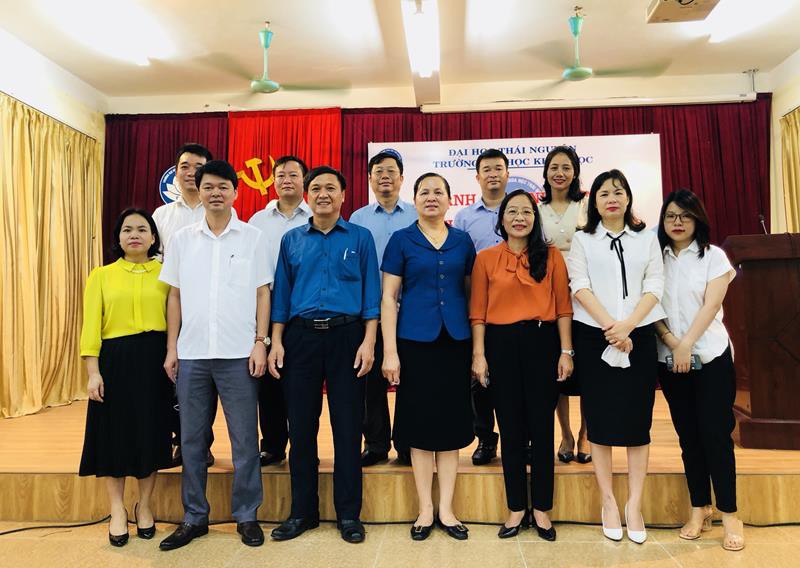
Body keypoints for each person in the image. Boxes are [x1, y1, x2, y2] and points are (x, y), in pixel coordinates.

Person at [158, 160, 272, 550]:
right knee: (191, 441)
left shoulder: (253, 237)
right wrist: (172, 348)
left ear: (235, 192)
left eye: (223, 186)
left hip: (239, 354)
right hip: (192, 354)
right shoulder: (182, 239)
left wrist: (261, 341)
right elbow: (174, 295)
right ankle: (194, 517)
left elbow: (263, 292)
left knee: (244, 440)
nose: (216, 193)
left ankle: (247, 515)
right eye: (208, 186)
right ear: (198, 190)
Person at [268, 166, 380, 544]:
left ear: (344, 195)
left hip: (348, 337)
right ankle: (303, 512)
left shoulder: (361, 238)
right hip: (300, 339)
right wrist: (276, 341)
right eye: (316, 188)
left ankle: (349, 514)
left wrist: (369, 341)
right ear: (307, 195)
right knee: (301, 429)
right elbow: (282, 295)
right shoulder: (291, 240)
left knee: (348, 428)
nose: (323, 194)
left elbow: (371, 295)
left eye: (331, 188)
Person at [566, 169, 665, 544]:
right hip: (595, 336)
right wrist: (611, 326)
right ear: (594, 201)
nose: (612, 198)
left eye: (618, 191)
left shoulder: (647, 238)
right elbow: (580, 285)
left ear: (628, 198)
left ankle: (634, 504)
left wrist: (628, 326)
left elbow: (655, 284)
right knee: (601, 420)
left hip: (638, 334)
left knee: (638, 421)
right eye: (604, 193)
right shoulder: (583, 239)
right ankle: (608, 500)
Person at [471, 189, 574, 541]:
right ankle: (516, 507)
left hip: (542, 343)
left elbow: (563, 307)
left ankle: (542, 508)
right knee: (511, 426)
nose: (519, 218)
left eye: (526, 212)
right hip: (500, 345)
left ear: (535, 217)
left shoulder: (552, 256)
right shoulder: (485, 258)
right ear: (501, 219)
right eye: (512, 212)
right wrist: (479, 355)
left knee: (542, 427)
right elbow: (478, 313)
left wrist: (566, 351)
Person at [382, 173, 476, 541]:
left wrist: (477, 350)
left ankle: (447, 509)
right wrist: (390, 351)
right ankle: (425, 508)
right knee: (420, 427)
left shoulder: (462, 241)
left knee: (450, 428)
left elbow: (471, 295)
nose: (431, 197)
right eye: (425, 192)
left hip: (455, 343)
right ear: (415, 199)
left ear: (450, 199)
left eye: (439, 192)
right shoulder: (401, 239)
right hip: (414, 343)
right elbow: (389, 298)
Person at [654, 189, 744, 552]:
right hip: (669, 358)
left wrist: (686, 343)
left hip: (710, 356)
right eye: (671, 216)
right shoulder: (655, 258)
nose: (677, 222)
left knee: (715, 435)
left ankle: (730, 514)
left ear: (697, 219)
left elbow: (711, 305)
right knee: (689, 437)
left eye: (685, 216)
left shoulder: (714, 256)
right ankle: (699, 507)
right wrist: (670, 340)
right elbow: (650, 305)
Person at [79, 208, 173, 547]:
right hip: (114, 362)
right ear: (118, 238)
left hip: (155, 361)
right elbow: (91, 327)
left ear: (153, 237)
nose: (134, 235)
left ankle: (144, 505)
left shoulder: (167, 274)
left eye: (142, 229)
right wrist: (93, 372)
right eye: (127, 230)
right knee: (113, 436)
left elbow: (176, 321)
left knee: (151, 433)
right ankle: (117, 509)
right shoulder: (101, 275)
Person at [349, 149, 417, 467]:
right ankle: (376, 444)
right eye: (379, 171)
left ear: (402, 178)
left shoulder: (416, 215)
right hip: (371, 312)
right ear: (370, 179)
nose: (385, 176)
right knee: (370, 381)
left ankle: (407, 443)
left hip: (411, 310)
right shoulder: (358, 219)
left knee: (410, 380)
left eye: (391, 171)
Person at [152, 142, 215, 468]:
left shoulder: (217, 210)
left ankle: (202, 443)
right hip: (169, 307)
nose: (190, 173)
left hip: (208, 311)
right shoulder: (161, 215)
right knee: (171, 377)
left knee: (205, 382)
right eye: (184, 167)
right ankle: (175, 439)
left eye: (198, 167)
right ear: (175, 173)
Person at [248, 155, 312, 467]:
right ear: (273, 182)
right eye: (281, 175)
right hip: (266, 303)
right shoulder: (258, 221)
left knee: (300, 380)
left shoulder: (315, 217)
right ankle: (273, 445)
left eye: (293, 175)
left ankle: (303, 446)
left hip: (303, 307)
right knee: (269, 381)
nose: (287, 180)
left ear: (305, 181)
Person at [453, 148, 510, 466]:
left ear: (507, 173)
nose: (492, 174)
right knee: (479, 377)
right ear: (477, 177)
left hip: (516, 307)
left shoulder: (521, 209)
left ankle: (519, 438)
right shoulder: (464, 217)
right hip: (478, 307)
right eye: (486, 169)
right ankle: (486, 438)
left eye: (498, 168)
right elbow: (460, 265)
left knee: (513, 377)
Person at [536, 145, 591, 464]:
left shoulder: (587, 205)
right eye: (554, 167)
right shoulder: (536, 208)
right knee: (556, 371)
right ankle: (567, 434)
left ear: (575, 172)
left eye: (566, 167)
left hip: (586, 298)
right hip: (548, 298)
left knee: (587, 371)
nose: (559, 173)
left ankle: (585, 433)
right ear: (545, 173)